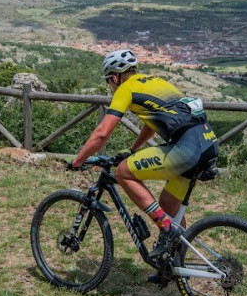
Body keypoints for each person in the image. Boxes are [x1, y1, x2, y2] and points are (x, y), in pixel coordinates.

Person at [68, 48, 219, 267]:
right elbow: (152, 122)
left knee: (123, 172)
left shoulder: (125, 89)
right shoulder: (156, 82)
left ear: (114, 77)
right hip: (207, 141)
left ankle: (167, 230)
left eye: (108, 82)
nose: (110, 86)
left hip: (187, 147)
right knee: (168, 205)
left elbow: (102, 133)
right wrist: (133, 149)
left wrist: (78, 160)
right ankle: (175, 263)